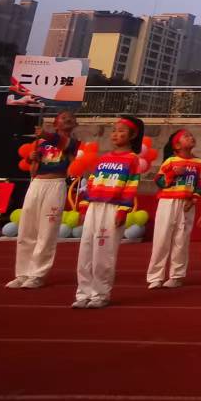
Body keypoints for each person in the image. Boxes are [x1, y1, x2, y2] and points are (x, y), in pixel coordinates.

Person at [73, 116, 149, 309]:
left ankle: (100, 293)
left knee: (104, 252)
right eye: (114, 130)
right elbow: (91, 182)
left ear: (132, 135)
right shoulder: (103, 158)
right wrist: (83, 205)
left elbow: (131, 186)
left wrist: (123, 209)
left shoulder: (133, 160)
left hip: (113, 208)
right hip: (94, 207)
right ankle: (83, 292)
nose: (116, 134)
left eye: (122, 131)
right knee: (86, 250)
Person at [8, 111, 75, 287]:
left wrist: (45, 134)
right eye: (64, 118)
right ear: (55, 124)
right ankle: (22, 273)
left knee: (47, 230)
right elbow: (32, 170)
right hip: (37, 184)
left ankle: (37, 274)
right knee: (27, 228)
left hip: (56, 184)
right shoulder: (41, 144)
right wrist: (32, 159)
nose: (68, 119)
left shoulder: (74, 144)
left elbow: (62, 145)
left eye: (70, 118)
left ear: (75, 124)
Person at [147, 129, 201, 289]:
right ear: (177, 145)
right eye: (186, 136)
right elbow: (159, 180)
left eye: (191, 135)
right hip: (168, 202)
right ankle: (155, 276)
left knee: (181, 240)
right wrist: (172, 174)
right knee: (162, 238)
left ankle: (176, 275)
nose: (191, 137)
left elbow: (198, 185)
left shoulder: (197, 162)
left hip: (186, 205)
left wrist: (194, 199)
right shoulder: (170, 161)